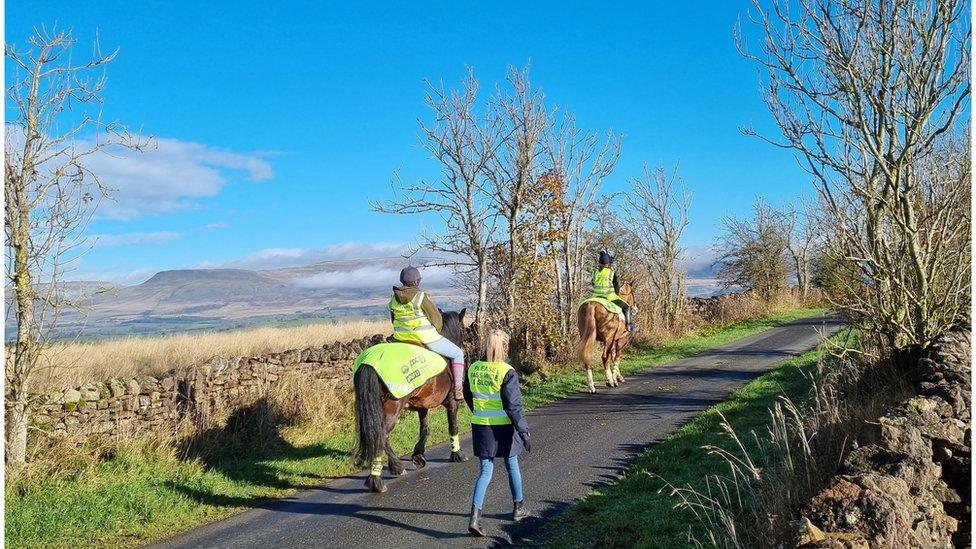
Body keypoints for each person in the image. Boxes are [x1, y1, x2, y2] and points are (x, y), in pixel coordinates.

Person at [464, 328, 531, 537]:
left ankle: (475, 517)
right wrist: (524, 432)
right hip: (504, 426)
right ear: (503, 347)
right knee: (512, 464)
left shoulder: (473, 368)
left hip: (481, 425)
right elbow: (513, 406)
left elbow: (468, 394)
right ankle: (518, 509)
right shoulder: (506, 371)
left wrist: (479, 412)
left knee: (485, 471)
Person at [389, 266, 465, 400]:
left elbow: (393, 319)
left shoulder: (393, 299)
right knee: (458, 353)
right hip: (425, 338)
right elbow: (436, 319)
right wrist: (437, 329)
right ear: (417, 281)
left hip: (400, 339)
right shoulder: (420, 297)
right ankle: (458, 390)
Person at [591, 250, 632, 332]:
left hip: (595, 296)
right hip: (609, 297)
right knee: (627, 307)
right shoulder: (611, 272)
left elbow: (593, 283)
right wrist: (617, 294)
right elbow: (616, 287)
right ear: (608, 264)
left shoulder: (594, 272)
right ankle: (628, 326)